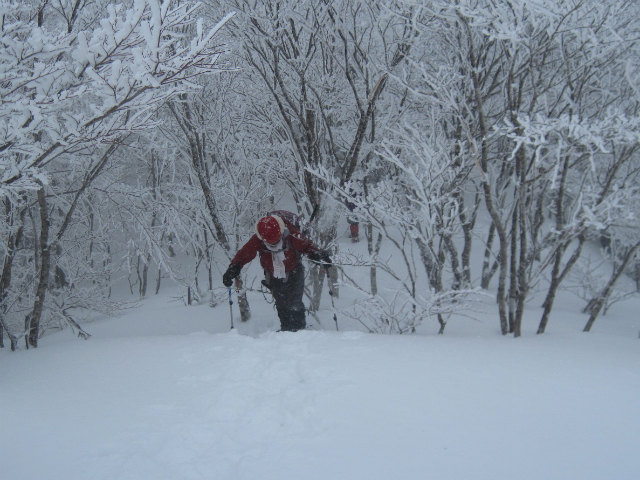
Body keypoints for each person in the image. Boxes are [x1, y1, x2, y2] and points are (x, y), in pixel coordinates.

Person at [222, 214, 331, 332]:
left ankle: (299, 331)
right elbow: (245, 253)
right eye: (270, 243)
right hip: (273, 274)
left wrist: (319, 255)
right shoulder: (259, 238)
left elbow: (307, 246)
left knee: (295, 303)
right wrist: (233, 268)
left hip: (294, 271)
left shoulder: (292, 234)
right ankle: (286, 330)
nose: (273, 245)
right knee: (281, 304)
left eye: (276, 241)